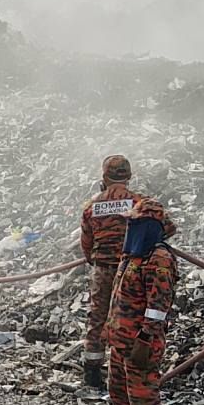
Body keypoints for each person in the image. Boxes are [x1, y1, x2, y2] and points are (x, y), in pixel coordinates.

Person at [92, 195, 178, 405]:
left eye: (137, 224)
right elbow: (118, 298)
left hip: (141, 344)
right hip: (120, 339)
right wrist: (109, 329)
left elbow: (158, 307)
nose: (131, 228)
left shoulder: (160, 260)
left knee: (144, 399)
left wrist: (145, 340)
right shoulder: (131, 256)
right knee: (118, 392)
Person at [78, 155, 138, 392]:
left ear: (104, 176)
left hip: (103, 270)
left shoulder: (92, 207)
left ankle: (92, 373)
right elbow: (163, 230)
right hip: (131, 270)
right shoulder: (139, 203)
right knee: (130, 316)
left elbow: (86, 245)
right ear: (129, 176)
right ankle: (124, 373)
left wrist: (97, 260)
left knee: (98, 317)